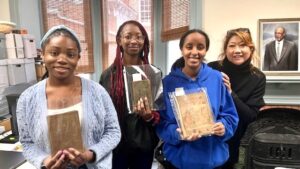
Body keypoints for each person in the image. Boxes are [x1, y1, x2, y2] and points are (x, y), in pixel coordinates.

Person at [16, 25, 121, 169]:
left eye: (70, 54)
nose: (62, 60)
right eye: (54, 53)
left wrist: (91, 154)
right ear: (42, 55)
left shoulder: (98, 92)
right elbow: (27, 143)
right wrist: (44, 161)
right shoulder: (27, 99)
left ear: (78, 57)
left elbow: (113, 131)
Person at [156, 29, 239, 169]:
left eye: (200, 47)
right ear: (182, 49)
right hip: (178, 161)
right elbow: (161, 122)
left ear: (206, 50)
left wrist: (223, 126)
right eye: (189, 47)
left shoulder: (217, 78)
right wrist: (177, 133)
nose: (194, 52)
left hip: (214, 159)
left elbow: (231, 116)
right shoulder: (167, 83)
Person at [100, 20, 160, 169]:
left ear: (144, 40)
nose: (134, 41)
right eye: (128, 36)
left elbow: (160, 114)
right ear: (119, 40)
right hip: (116, 145)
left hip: (143, 144)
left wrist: (148, 116)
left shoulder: (153, 73)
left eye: (139, 37)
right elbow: (102, 113)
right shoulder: (108, 76)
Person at [208, 28, 266, 169]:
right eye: (232, 45)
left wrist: (230, 93)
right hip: (204, 138)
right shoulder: (212, 68)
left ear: (250, 48)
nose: (237, 50)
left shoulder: (257, 77)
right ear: (225, 49)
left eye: (242, 45)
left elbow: (250, 116)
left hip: (231, 141)